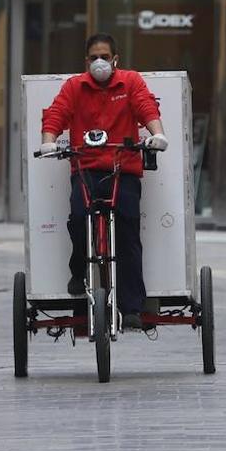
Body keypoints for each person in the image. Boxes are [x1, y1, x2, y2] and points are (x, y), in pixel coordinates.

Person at [40, 33, 168, 330]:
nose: (100, 62)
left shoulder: (131, 82)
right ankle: (78, 271)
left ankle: (132, 306)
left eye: (105, 56)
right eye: (94, 57)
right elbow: (56, 114)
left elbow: (147, 107)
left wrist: (157, 134)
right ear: (86, 61)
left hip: (123, 170)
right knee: (78, 217)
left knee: (127, 232)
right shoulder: (74, 86)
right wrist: (48, 141)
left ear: (115, 59)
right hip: (85, 168)